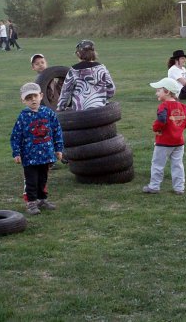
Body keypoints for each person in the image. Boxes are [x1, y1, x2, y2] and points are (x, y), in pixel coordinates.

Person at [10, 83, 64, 215]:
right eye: (28, 98)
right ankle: (31, 203)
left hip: (46, 154)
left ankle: (42, 200)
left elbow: (57, 131)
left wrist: (58, 149)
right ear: (23, 101)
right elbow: (16, 135)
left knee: (42, 179)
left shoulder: (48, 113)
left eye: (34, 96)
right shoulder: (23, 116)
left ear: (41, 96)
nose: (33, 99)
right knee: (31, 180)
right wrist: (16, 153)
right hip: (29, 156)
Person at [142, 78, 186, 195]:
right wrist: (180, 127)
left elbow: (161, 120)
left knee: (157, 164)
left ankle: (154, 186)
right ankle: (179, 188)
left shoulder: (164, 106)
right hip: (179, 143)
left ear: (166, 92)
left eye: (158, 90)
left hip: (163, 143)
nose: (156, 93)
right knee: (178, 165)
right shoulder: (183, 106)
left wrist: (156, 128)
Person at [57, 40, 115, 111]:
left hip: (80, 112)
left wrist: (60, 107)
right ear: (94, 53)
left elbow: (65, 91)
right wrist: (102, 98)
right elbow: (111, 90)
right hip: (100, 110)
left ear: (78, 54)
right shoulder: (102, 69)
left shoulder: (74, 71)